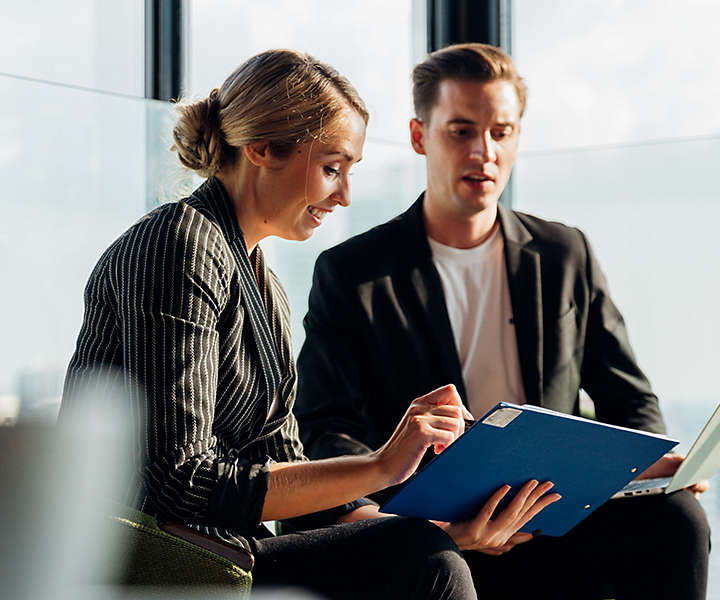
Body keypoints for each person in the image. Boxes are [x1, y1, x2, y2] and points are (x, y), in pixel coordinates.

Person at [58, 49, 562, 600]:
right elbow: (180, 484)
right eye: (331, 168)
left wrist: (442, 529)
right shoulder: (180, 245)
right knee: (423, 562)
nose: (343, 196)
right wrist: (380, 467)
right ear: (261, 150)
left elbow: (290, 475)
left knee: (425, 549)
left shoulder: (260, 282)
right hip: (151, 561)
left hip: (225, 553)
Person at [294, 43, 711, 599]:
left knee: (678, 519)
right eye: (461, 131)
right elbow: (327, 427)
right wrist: (402, 516)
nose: (483, 152)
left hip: (554, 517)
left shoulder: (565, 253)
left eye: (501, 132)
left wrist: (653, 463)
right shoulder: (352, 272)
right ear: (420, 136)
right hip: (439, 533)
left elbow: (628, 398)